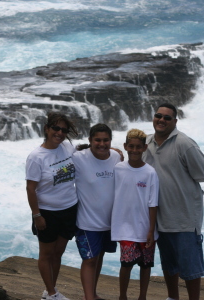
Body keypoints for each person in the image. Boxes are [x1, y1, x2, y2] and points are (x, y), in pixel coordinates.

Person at [142, 103, 204, 300]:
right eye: (159, 116)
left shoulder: (184, 144)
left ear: (175, 121)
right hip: (160, 218)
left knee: (190, 268)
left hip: (184, 218)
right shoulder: (146, 143)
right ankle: (172, 297)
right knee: (169, 263)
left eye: (167, 117)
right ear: (153, 118)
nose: (162, 120)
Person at [25, 111, 79, 300]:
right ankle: (51, 293)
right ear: (47, 129)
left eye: (63, 130)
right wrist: (37, 215)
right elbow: (31, 189)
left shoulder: (67, 148)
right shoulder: (36, 157)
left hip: (69, 208)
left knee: (58, 253)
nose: (60, 133)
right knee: (46, 254)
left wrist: (113, 151)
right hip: (47, 212)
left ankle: (51, 290)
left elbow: (85, 152)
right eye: (56, 128)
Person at [72, 124, 122, 300]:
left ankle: (93, 293)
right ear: (90, 140)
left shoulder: (116, 156)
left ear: (110, 140)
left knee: (99, 256)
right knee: (89, 260)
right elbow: (57, 157)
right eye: (97, 140)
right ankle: (89, 298)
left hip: (109, 221)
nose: (102, 144)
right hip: (87, 221)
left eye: (105, 140)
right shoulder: (78, 158)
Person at [111, 129, 159, 300]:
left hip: (145, 227)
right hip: (124, 227)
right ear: (125, 146)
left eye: (138, 147)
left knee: (146, 266)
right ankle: (122, 296)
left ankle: (142, 297)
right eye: (131, 146)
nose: (134, 150)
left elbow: (153, 204)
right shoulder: (118, 169)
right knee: (126, 264)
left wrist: (151, 230)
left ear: (144, 148)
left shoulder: (150, 172)